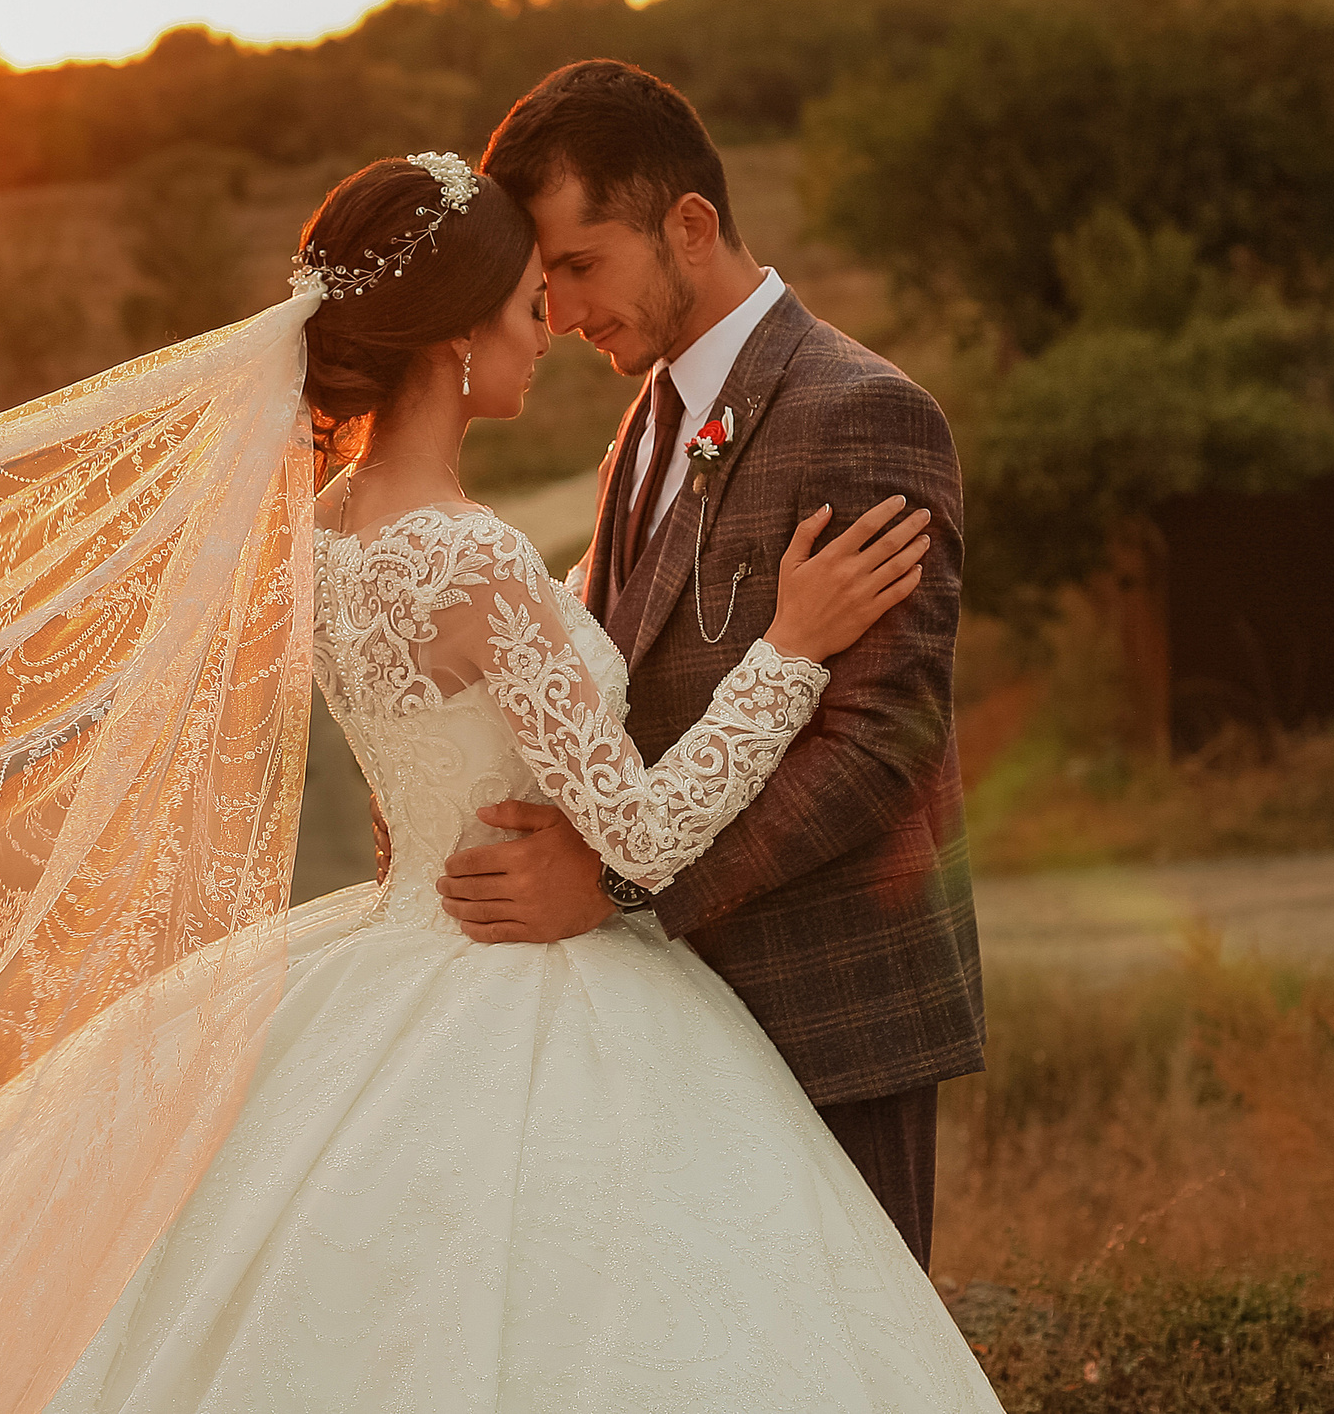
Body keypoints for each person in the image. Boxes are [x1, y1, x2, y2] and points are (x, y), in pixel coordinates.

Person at [0, 152, 1001, 1412]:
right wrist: (789, 647)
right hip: (528, 975)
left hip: (402, 944)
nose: (545, 330)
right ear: (453, 340)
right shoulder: (472, 559)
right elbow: (646, 825)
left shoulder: (322, 535)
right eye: (525, 305)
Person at [420, 61, 987, 1268]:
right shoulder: (652, 418)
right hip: (667, 1022)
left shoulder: (861, 414)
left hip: (825, 1008)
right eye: (546, 279)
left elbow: (883, 740)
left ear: (689, 224)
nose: (563, 313)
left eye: (581, 265)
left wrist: (623, 885)